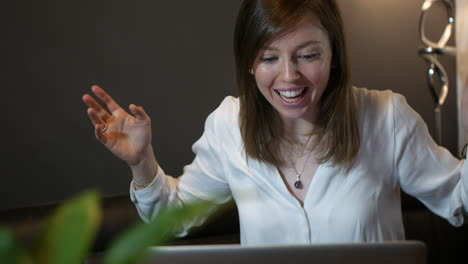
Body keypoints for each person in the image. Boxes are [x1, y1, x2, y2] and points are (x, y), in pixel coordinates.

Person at [82, 0, 468, 244]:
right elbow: (170, 219)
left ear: (333, 55)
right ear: (249, 63)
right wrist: (140, 161)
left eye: (307, 55)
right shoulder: (227, 127)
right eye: (269, 58)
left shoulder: (387, 117)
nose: (289, 77)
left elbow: (458, 199)